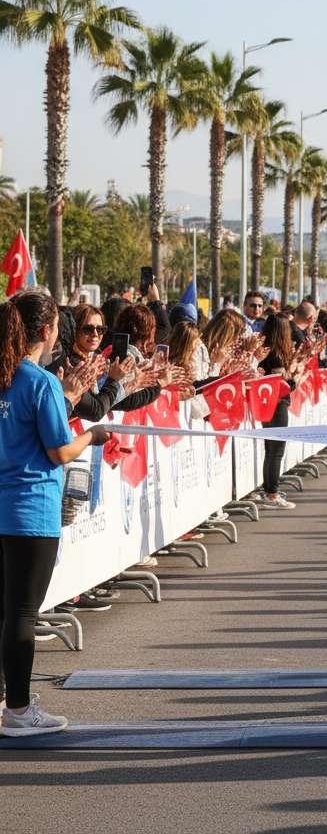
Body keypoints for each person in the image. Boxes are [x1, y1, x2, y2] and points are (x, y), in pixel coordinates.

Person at [0, 291, 110, 737]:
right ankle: (20, 710)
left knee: (5, 612)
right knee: (22, 614)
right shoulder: (39, 381)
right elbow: (60, 449)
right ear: (46, 332)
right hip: (30, 511)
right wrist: (93, 436)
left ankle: (11, 705)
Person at [254, 312, 302, 510]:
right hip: (276, 403)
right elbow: (281, 385)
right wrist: (295, 380)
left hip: (268, 403)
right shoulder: (275, 355)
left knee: (271, 449)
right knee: (276, 450)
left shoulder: (269, 351)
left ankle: (269, 490)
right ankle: (271, 494)